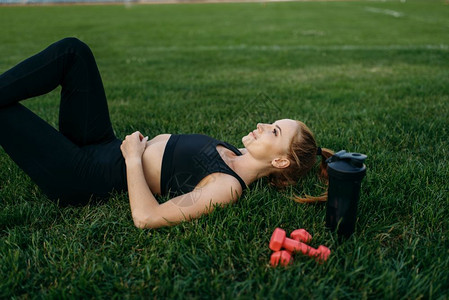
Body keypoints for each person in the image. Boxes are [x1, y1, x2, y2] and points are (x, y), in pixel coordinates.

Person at [0, 38, 333, 229]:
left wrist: (133, 159)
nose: (262, 125)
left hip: (82, 175)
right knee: (74, 53)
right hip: (101, 144)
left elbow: (147, 218)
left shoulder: (228, 187)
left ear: (280, 160)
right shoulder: (230, 152)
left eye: (273, 130)